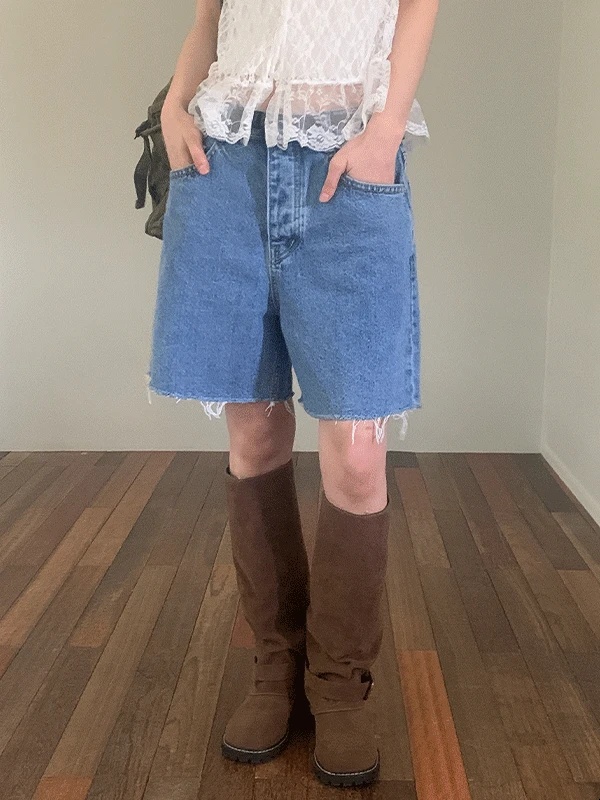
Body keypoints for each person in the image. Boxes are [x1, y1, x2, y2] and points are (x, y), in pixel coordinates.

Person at [145, 0, 438, 788]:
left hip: (347, 161)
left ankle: (337, 686)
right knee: (253, 433)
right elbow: (209, 16)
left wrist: (386, 131)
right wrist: (175, 105)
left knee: (358, 456)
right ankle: (275, 668)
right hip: (224, 160)